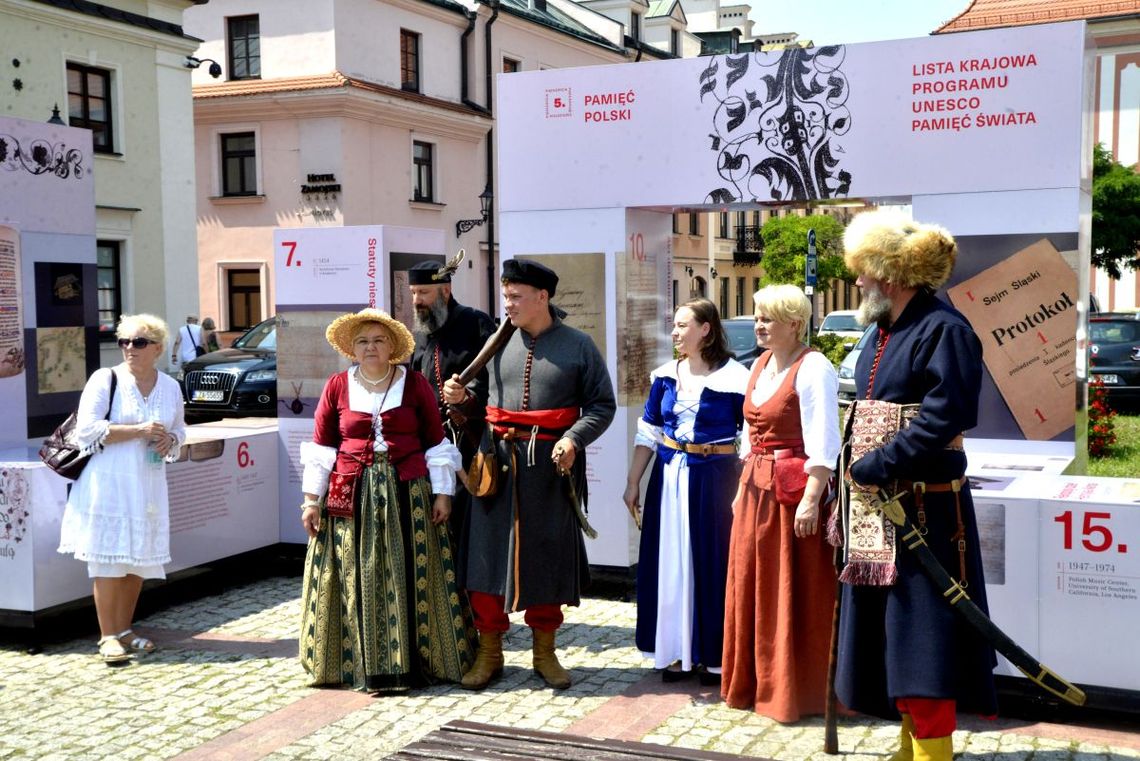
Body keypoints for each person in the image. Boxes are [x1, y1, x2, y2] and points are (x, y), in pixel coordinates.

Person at [836, 209, 997, 761]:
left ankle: (933, 755)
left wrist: (878, 462)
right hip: (882, 515)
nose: (857, 281)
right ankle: (909, 750)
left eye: (863, 271)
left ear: (890, 274)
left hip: (927, 515)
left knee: (925, 646)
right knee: (894, 643)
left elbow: (944, 417)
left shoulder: (944, 329)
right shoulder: (885, 331)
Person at [442, 258, 616, 691]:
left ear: (543, 297)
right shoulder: (497, 342)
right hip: (494, 466)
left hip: (549, 471)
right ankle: (489, 653)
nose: (509, 304)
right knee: (484, 561)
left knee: (546, 562)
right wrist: (460, 400)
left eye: (516, 296)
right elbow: (476, 406)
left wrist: (574, 439)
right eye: (506, 296)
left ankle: (545, 653)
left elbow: (602, 406)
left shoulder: (578, 346)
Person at [297, 308, 471, 693]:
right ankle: (354, 664)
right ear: (352, 349)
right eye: (362, 341)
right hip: (350, 494)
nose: (370, 347)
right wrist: (311, 501)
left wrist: (443, 493)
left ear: (392, 347)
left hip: (408, 491)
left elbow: (436, 442)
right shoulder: (337, 386)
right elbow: (323, 446)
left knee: (412, 573)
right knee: (352, 576)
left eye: (378, 340)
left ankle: (415, 662)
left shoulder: (415, 385)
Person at [720, 284, 840, 721]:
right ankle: (755, 681)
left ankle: (796, 689)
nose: (759, 326)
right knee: (753, 583)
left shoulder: (814, 368)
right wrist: (739, 492)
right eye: (757, 318)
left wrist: (811, 500)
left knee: (792, 588)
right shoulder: (761, 364)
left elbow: (825, 441)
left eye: (767, 319)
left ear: (794, 323)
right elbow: (751, 440)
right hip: (755, 490)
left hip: (793, 495)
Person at [623, 298, 748, 685]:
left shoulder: (737, 378)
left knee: (711, 563)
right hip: (670, 477)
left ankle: (713, 656)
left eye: (682, 325)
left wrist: (744, 489)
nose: (674, 333)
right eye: (674, 326)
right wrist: (632, 482)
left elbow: (750, 438)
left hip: (716, 480)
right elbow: (650, 431)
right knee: (670, 563)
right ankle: (676, 653)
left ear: (706, 329)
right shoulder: (665, 375)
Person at [58, 314, 186, 664]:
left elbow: (181, 431)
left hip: (148, 484)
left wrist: (169, 440)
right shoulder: (106, 379)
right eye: (125, 341)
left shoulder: (170, 386)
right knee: (108, 561)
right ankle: (107, 636)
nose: (130, 348)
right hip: (108, 484)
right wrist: (140, 430)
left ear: (158, 348)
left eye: (139, 342)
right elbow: (85, 431)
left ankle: (126, 629)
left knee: (137, 561)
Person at [407, 258, 496, 566]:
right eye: (414, 293)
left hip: (469, 446)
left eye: (424, 293)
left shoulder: (477, 324)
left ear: (445, 290)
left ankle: (473, 609)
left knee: (466, 531)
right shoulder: (420, 332)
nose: (417, 301)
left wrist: (466, 398)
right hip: (428, 448)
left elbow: (496, 383)